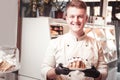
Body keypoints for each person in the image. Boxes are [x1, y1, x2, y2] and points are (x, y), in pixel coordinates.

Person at [40, 0, 108, 80]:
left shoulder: (96, 44)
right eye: (72, 16)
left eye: (80, 16)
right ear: (67, 18)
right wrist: (56, 71)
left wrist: (97, 74)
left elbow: (104, 70)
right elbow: (44, 70)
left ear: (86, 18)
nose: (76, 20)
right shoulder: (55, 43)